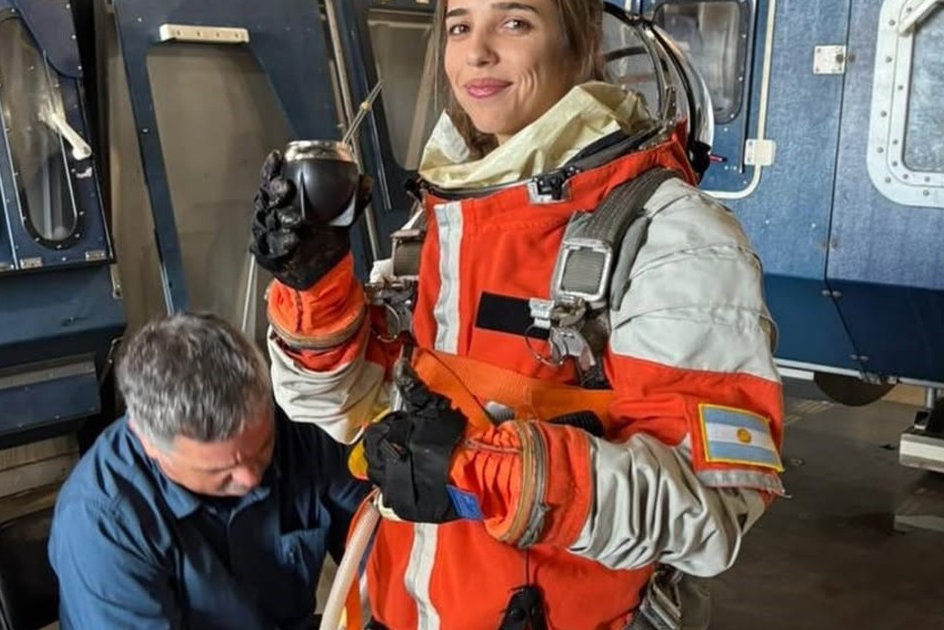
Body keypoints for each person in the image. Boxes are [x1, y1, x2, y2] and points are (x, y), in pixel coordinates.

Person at [250, 0, 784, 627]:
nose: (477, 52)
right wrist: (313, 287)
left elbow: (708, 512)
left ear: (579, 42)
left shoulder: (671, 235)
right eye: (459, 26)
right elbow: (340, 406)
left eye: (514, 22)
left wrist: (475, 468)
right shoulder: (444, 217)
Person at [48, 312, 369, 629]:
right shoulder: (103, 523)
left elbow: (373, 540)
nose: (250, 478)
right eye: (221, 470)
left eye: (262, 448)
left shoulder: (299, 429)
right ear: (151, 444)